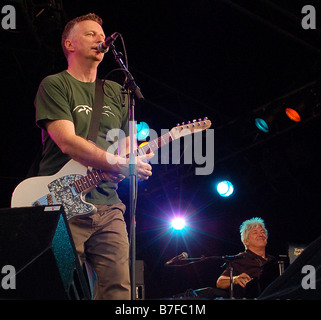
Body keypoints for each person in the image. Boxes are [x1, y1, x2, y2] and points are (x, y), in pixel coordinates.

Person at [34, 13, 152, 300]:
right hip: (62, 202)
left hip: (109, 205)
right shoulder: (55, 85)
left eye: (102, 35)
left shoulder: (117, 93)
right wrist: (118, 163)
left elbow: (123, 148)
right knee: (58, 282)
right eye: (90, 34)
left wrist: (129, 163)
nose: (101, 39)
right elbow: (68, 142)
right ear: (69, 44)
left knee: (119, 288)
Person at [216, 217, 276, 298]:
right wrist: (235, 279)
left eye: (263, 232)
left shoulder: (274, 261)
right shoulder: (239, 259)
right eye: (255, 232)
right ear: (246, 241)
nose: (261, 234)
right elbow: (220, 282)